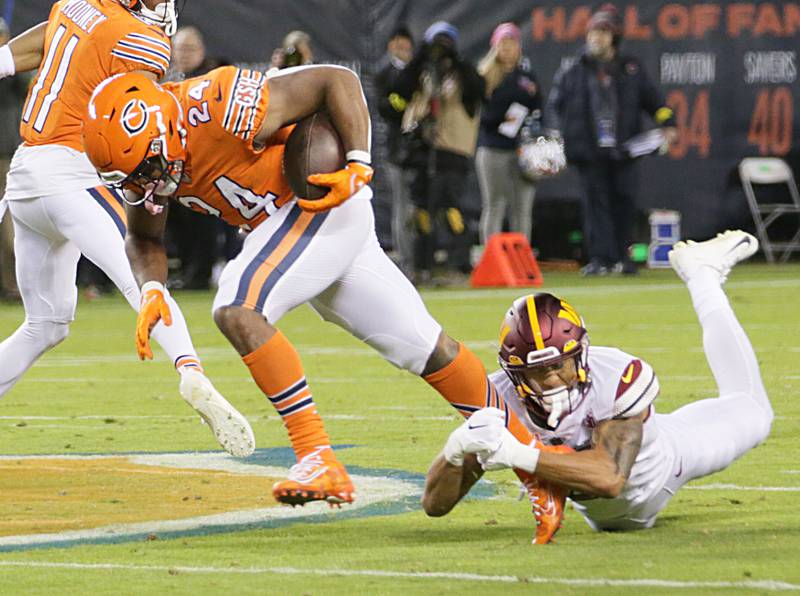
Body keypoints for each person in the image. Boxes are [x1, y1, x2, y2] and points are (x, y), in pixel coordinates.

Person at [81, 63, 556, 513]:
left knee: (236, 305)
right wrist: (152, 290)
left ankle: (317, 458)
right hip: (303, 233)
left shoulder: (219, 104)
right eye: (133, 175)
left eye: (147, 166)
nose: (147, 181)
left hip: (319, 203)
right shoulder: (148, 158)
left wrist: (358, 161)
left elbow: (336, 79)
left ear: (165, 124)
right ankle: (544, 471)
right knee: (427, 349)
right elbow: (143, 236)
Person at [0, 0, 254, 457]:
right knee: (145, 279)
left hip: (24, 180)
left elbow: (30, 47)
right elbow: (147, 111)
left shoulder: (71, 7)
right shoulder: (145, 42)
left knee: (47, 324)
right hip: (72, 177)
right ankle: (191, 370)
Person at [423, 230, 773, 543]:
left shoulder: (616, 377)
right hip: (607, 518)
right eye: (537, 371)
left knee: (756, 412)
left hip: (669, 463)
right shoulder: (500, 399)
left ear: (580, 355)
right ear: (515, 373)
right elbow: (435, 506)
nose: (551, 379)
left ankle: (702, 275)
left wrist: (516, 454)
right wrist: (455, 451)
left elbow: (609, 478)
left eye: (558, 365)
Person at [544, 3, 677, 276]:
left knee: (624, 203)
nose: (597, 38)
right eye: (594, 32)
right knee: (595, 207)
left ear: (614, 37)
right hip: (587, 150)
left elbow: (655, 102)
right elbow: (555, 106)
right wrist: (556, 136)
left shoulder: (630, 69)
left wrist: (668, 123)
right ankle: (600, 259)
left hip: (623, 149)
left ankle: (623, 258)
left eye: (603, 33)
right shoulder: (574, 70)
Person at [395, 21, 484, 283]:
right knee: (421, 211)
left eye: (445, 43)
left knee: (451, 209)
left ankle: (458, 266)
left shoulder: (463, 73)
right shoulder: (421, 73)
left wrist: (456, 62)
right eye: (436, 43)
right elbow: (398, 89)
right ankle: (422, 266)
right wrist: (420, 59)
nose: (440, 49)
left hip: (453, 150)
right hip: (422, 151)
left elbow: (479, 90)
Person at [167, 25, 232, 290]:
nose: (183, 54)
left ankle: (201, 272)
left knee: (204, 218)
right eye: (179, 49)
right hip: (177, 161)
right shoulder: (170, 78)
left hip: (209, 162)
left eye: (189, 49)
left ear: (201, 50)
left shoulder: (214, 75)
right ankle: (186, 268)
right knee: (177, 219)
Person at [475, 22, 541, 245]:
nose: (507, 48)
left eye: (511, 43)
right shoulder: (485, 75)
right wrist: (506, 112)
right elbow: (479, 115)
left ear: (519, 47)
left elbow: (538, 107)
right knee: (494, 205)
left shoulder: (527, 76)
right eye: (503, 43)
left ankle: (521, 262)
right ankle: (490, 259)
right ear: (495, 46)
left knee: (522, 207)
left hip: (521, 150)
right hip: (493, 148)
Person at [374, 26, 415, 277]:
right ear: (390, 45)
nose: (401, 46)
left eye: (405, 42)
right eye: (397, 42)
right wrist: (408, 105)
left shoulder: (421, 71)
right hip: (398, 151)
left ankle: (420, 263)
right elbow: (387, 107)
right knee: (402, 207)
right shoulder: (384, 74)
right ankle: (406, 264)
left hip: (424, 151)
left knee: (417, 209)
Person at [0, 17, 26, 302]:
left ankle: (14, 285)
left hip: (7, 152)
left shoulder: (13, 64)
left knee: (11, 222)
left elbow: (25, 84)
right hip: (8, 149)